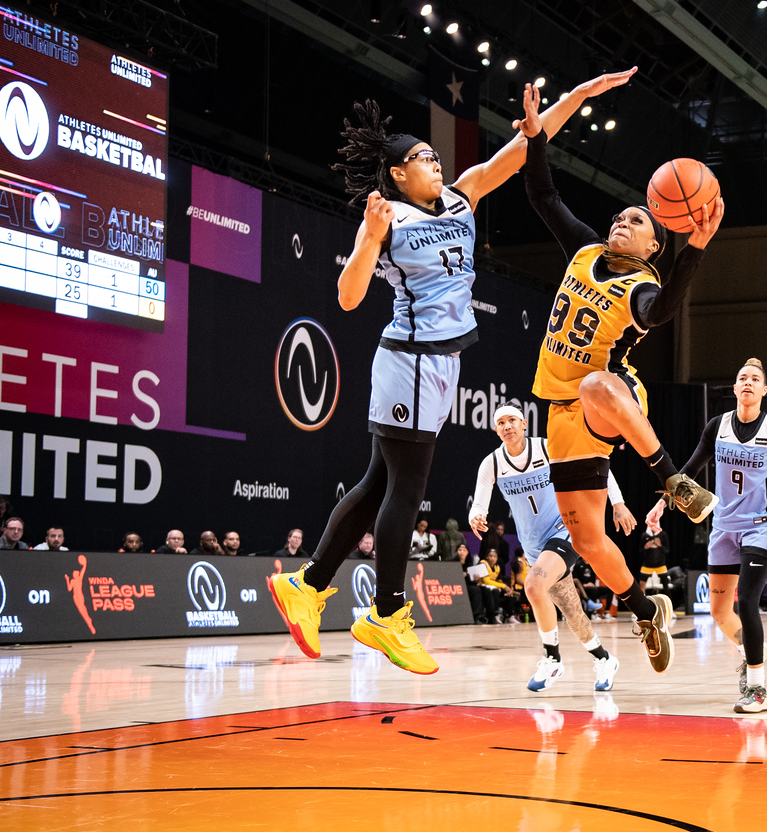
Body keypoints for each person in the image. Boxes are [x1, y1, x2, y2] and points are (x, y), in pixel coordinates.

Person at [268, 70, 630, 674]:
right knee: (405, 490)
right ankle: (385, 613)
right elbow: (349, 297)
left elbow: (522, 148)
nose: (435, 163)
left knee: (378, 484)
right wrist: (369, 240)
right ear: (398, 174)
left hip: (439, 365)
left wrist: (577, 98)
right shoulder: (387, 217)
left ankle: (306, 585)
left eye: (436, 156)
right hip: (409, 360)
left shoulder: (462, 197)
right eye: (422, 158)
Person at [519, 79, 725, 675]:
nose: (621, 221)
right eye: (619, 216)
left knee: (593, 383)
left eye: (636, 220)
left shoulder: (642, 286)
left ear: (654, 245)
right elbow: (543, 194)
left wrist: (696, 247)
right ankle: (644, 611)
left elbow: (661, 314)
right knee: (587, 540)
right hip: (561, 415)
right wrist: (535, 136)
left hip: (612, 395)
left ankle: (673, 481)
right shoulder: (585, 252)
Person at [646, 357, 767, 712]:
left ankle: (757, 689)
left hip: (760, 526)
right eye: (743, 377)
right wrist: (662, 504)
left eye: (755, 379)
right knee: (718, 612)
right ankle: (754, 649)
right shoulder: (718, 426)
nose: (748, 382)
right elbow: (688, 471)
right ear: (734, 387)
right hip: (723, 527)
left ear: (764, 390)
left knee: (746, 601)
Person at [470, 404, 632, 692]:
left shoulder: (547, 448)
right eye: (501, 423)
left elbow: (596, 463)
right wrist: (476, 515)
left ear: (524, 423)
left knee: (533, 586)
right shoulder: (491, 463)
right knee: (571, 610)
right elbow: (479, 502)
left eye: (512, 420)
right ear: (496, 430)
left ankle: (552, 659)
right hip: (534, 546)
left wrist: (617, 503)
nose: (507, 426)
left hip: (565, 530)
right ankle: (604, 658)